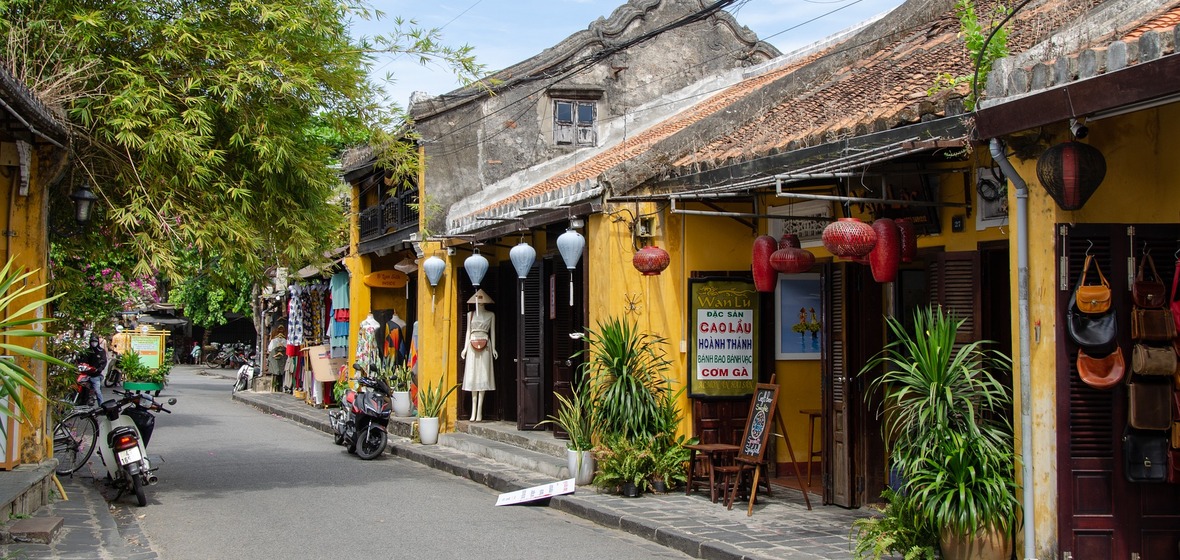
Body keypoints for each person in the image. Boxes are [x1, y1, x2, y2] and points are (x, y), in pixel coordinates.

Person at [460, 290, 496, 422]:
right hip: (472, 345)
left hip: (486, 345)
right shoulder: (470, 315)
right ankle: (473, 410)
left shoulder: (491, 315)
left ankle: (479, 411)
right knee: (472, 376)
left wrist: (494, 349)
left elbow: (493, 333)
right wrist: (464, 348)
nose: (479, 304)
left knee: (483, 376)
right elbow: (468, 332)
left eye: (481, 302)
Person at [79, 334, 108, 404]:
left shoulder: (101, 351)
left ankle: (101, 406)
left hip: (95, 375)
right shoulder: (87, 351)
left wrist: (99, 369)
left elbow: (104, 361)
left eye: (95, 341)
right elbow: (82, 361)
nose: (93, 343)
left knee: (97, 391)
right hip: (85, 374)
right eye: (92, 341)